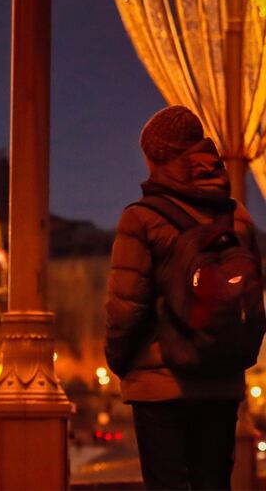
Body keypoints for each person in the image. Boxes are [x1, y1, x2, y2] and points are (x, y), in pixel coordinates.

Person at [105, 105, 265, 489]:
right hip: (221, 379)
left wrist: (120, 361)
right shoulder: (236, 214)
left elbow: (126, 307)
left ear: (155, 157)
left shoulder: (141, 218)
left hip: (161, 385)